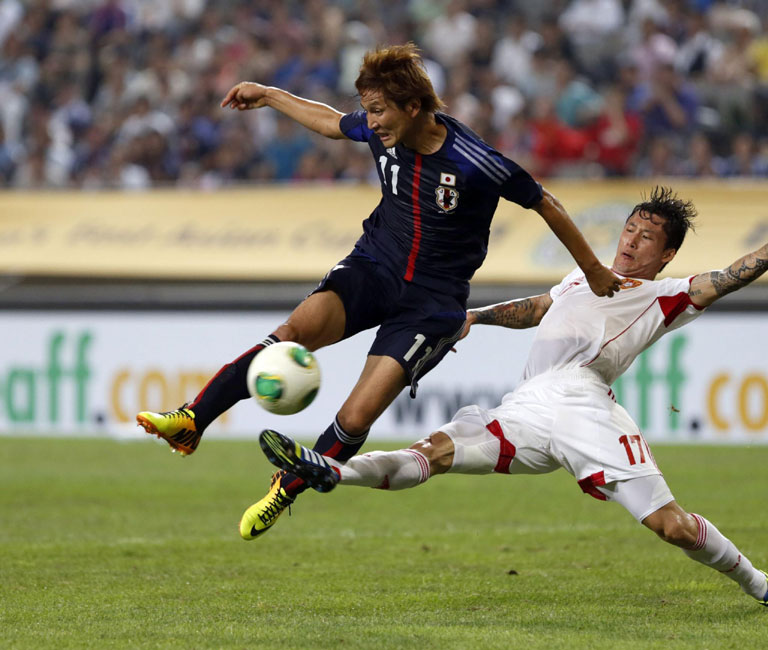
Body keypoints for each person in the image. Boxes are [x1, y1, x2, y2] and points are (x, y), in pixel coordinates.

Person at [257, 186, 768, 613]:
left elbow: (726, 277)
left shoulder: (663, 296)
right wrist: (474, 317)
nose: (630, 240)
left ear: (667, 254)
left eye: (646, 237)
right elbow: (538, 308)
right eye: (629, 228)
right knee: (437, 450)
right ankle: (330, 469)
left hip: (584, 406)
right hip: (526, 406)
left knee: (671, 527)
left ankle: (763, 586)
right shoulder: (585, 278)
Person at [135, 44, 622, 526]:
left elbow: (545, 202)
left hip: (432, 302)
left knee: (356, 417)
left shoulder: (475, 161)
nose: (369, 122)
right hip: (374, 265)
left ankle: (285, 490)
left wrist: (595, 270)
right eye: (366, 110)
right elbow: (329, 122)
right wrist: (267, 94)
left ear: (414, 108)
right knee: (292, 331)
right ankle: (193, 419)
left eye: (378, 111)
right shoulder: (378, 130)